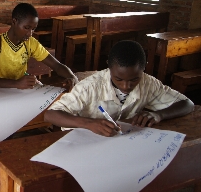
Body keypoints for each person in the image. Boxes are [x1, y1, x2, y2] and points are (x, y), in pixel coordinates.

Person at [44, 40, 194, 137]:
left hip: (122, 141)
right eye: (119, 79)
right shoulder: (89, 87)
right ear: (109, 67)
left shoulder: (148, 83)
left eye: (134, 79)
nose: (126, 86)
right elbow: (50, 115)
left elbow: (187, 104)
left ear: (143, 69)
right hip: (85, 142)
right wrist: (88, 123)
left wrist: (158, 115)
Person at [0, 3, 78, 89]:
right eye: (27, 27)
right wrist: (17, 83)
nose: (30, 33)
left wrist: (72, 76)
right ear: (14, 22)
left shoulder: (30, 43)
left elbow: (57, 65)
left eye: (33, 29)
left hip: (18, 91)